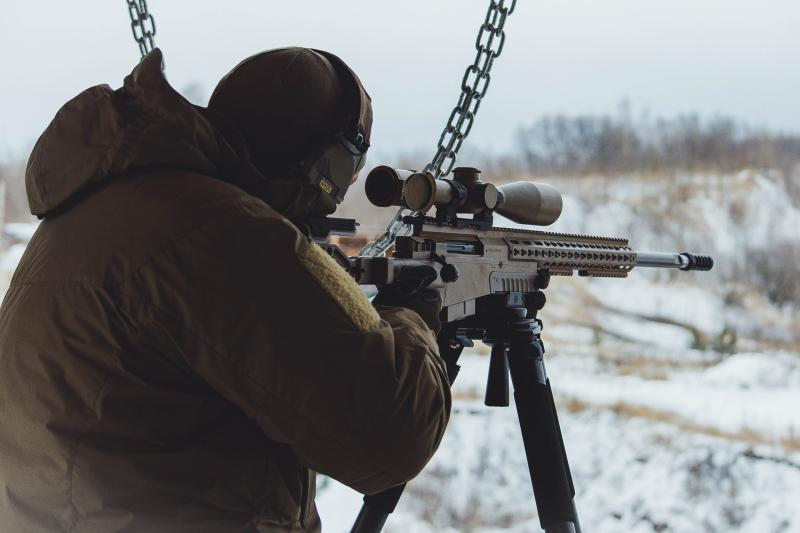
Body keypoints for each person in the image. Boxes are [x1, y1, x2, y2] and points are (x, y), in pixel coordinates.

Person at [0, 47, 451, 532]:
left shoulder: (103, 204)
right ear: (325, 162)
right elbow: (389, 438)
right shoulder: (219, 229)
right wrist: (413, 317)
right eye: (350, 165)